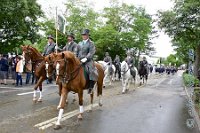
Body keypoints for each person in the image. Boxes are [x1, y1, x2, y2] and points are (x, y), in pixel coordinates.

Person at [78, 29, 98, 94]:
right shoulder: (79, 43)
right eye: (83, 35)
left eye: (85, 35)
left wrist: (86, 58)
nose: (83, 36)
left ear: (88, 35)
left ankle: (91, 87)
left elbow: (91, 52)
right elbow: (76, 51)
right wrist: (75, 58)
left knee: (91, 71)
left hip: (88, 60)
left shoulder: (91, 43)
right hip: (79, 59)